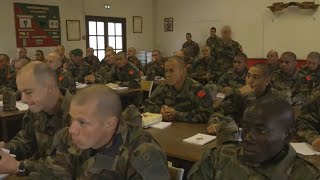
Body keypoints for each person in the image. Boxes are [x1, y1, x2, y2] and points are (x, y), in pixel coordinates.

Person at [28, 85, 170, 179]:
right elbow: (52, 173)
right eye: (72, 119)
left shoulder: (143, 152)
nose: (72, 129)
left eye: (82, 122)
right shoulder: (70, 136)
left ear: (110, 124)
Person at [189, 96, 320, 180]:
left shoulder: (307, 175)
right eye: (245, 128)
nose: (248, 137)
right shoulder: (218, 158)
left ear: (288, 136)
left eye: (261, 130)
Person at [0, 61, 72, 176]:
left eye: (28, 92)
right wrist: (5, 149)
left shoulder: (78, 117)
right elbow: (26, 140)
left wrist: (19, 167)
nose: (23, 99)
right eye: (21, 92)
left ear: (50, 87)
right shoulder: (37, 109)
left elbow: (64, 169)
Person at [207, 63, 282, 134]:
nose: (250, 81)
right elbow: (219, 112)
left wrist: (250, 97)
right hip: (237, 136)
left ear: (267, 81)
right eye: (248, 76)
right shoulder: (239, 92)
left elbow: (261, 124)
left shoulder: (276, 98)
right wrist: (215, 124)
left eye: (255, 77)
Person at [144, 56, 213, 123]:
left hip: (191, 129)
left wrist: (177, 115)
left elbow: (206, 114)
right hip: (168, 129)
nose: (168, 75)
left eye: (171, 71)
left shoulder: (197, 89)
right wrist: (160, 112)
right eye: (166, 71)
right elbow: (146, 106)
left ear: (183, 71)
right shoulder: (163, 87)